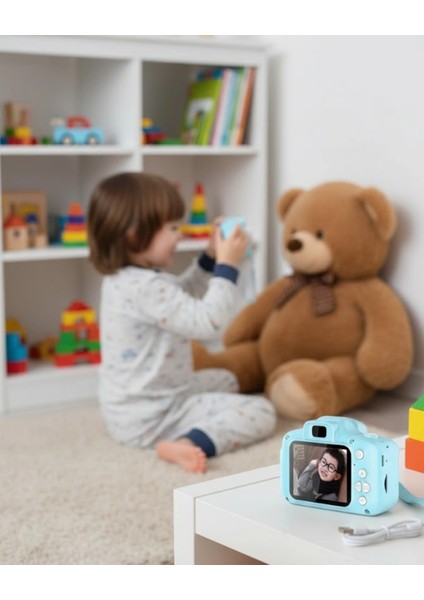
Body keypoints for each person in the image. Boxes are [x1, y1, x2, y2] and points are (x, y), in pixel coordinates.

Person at [87, 172, 277, 474]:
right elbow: (208, 321)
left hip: (135, 408)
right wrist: (227, 266)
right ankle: (188, 442)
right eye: (172, 228)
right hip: (155, 415)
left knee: (227, 380)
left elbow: (181, 298)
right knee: (261, 411)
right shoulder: (147, 287)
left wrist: (210, 258)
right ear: (134, 234)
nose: (179, 236)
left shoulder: (127, 280)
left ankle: (189, 426)